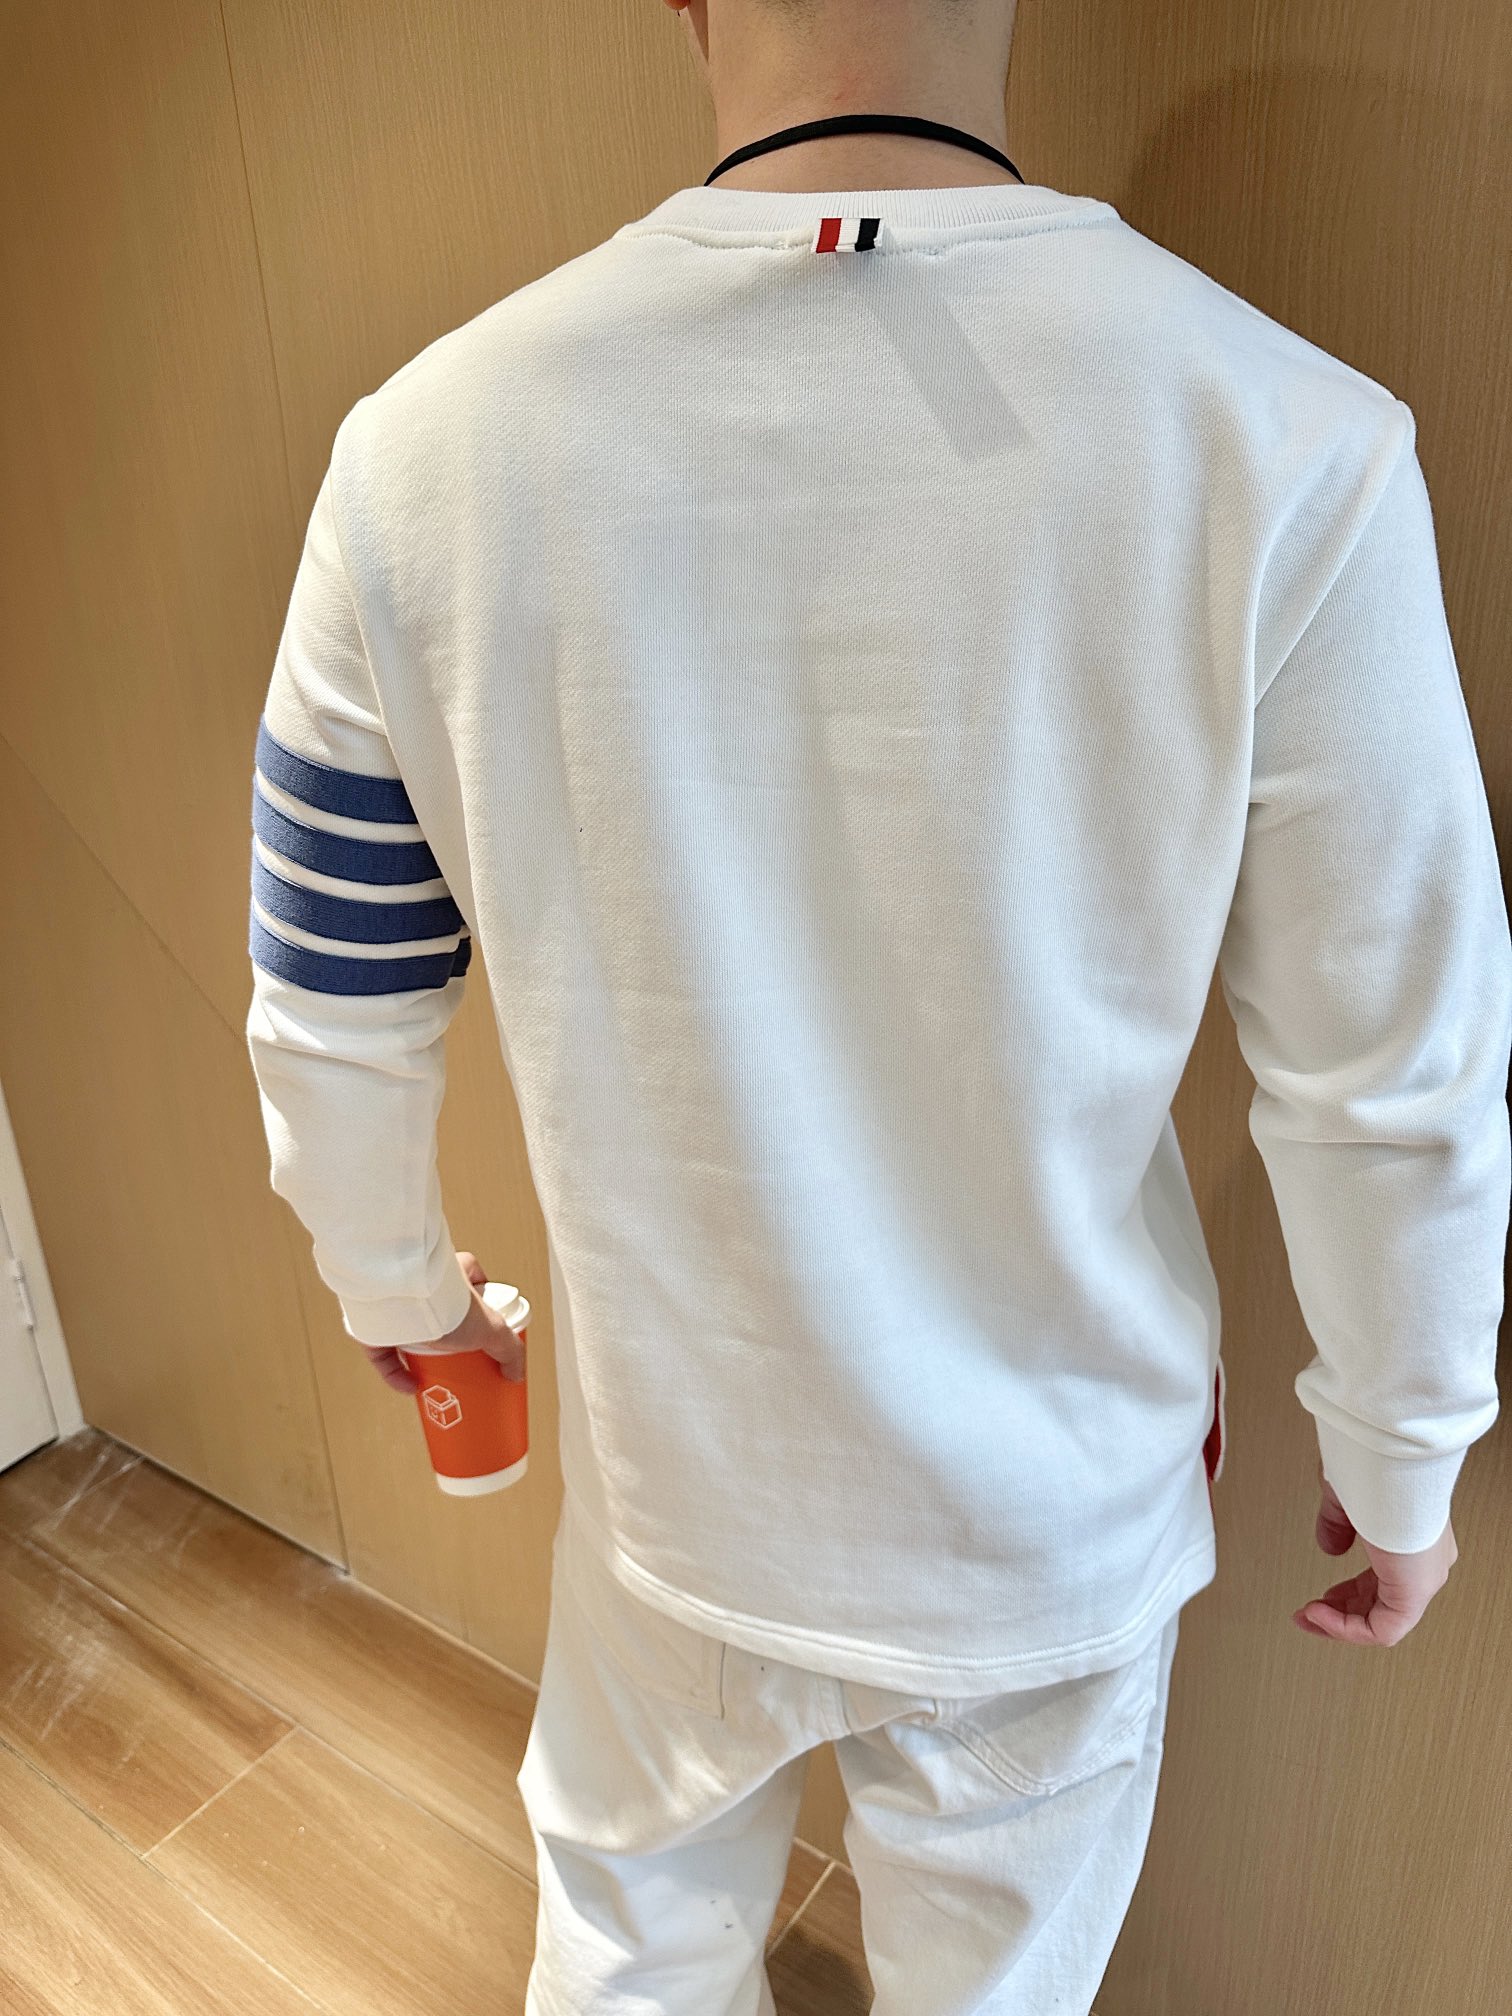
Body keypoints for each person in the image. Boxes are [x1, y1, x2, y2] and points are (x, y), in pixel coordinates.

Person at [243, 0, 1510, 2008]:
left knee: (628, 1951)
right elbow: (1394, 1067)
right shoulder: (1291, 445)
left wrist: (403, 1295)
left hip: (676, 1488)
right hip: (1042, 1527)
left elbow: (334, 1001)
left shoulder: (422, 458)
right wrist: (1402, 1444)